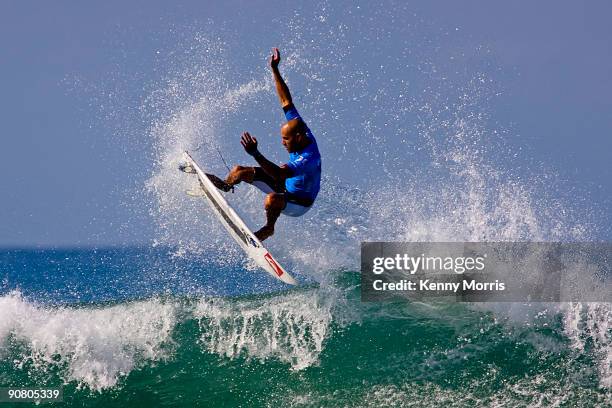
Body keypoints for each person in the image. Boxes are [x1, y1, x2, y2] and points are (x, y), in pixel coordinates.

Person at [208, 48, 321, 241]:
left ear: (299, 138)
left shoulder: (308, 158)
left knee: (272, 199)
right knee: (238, 171)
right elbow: (286, 100)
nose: (282, 142)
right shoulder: (299, 128)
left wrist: (255, 154)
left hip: (299, 203)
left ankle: (269, 228)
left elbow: (278, 174)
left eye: (286, 139)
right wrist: (275, 69)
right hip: (286, 185)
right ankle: (226, 187)